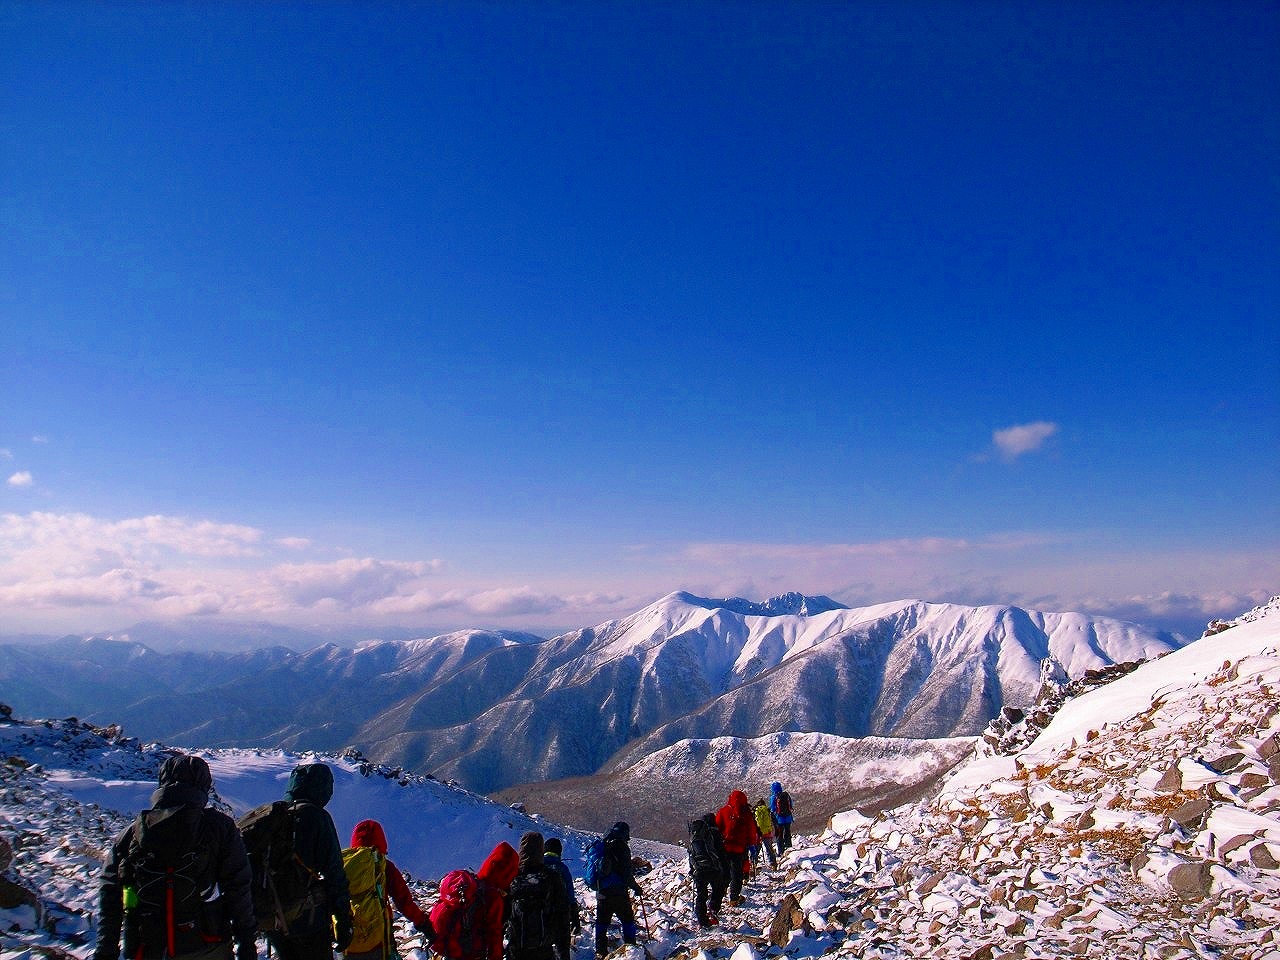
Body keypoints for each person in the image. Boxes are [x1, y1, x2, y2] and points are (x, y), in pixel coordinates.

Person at [94, 754, 258, 960]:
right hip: (208, 945)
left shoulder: (133, 833)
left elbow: (110, 894)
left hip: (148, 948)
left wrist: (105, 950)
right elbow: (239, 888)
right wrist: (247, 945)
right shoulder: (219, 828)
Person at [270, 762, 353, 960]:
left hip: (273, 918)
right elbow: (334, 872)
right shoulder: (317, 817)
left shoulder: (272, 815)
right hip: (309, 919)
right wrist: (343, 918)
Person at [343, 819, 433, 959]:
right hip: (378, 942)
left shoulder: (343, 866)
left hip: (348, 941)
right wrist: (423, 923)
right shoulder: (385, 867)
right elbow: (404, 902)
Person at [505, 832, 570, 960]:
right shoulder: (552, 877)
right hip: (543, 949)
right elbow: (562, 916)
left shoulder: (511, 877)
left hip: (516, 950)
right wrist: (564, 953)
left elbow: (501, 914)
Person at [592, 822, 642, 957]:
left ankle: (600, 952)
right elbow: (626, 874)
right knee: (627, 920)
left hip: (602, 893)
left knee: (601, 923)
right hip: (619, 893)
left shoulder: (603, 846)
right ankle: (631, 949)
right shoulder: (622, 848)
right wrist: (636, 888)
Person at [714, 791, 758, 906]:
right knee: (737, 873)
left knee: (724, 871)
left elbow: (717, 828)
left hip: (725, 847)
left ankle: (720, 892)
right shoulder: (746, 812)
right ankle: (734, 898)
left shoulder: (724, 811)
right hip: (739, 848)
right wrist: (751, 844)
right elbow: (751, 831)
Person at [686, 814, 728, 929]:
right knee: (718, 889)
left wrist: (692, 870)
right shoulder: (712, 835)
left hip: (698, 870)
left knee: (701, 894)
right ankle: (713, 909)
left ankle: (702, 920)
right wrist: (724, 869)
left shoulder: (693, 837)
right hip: (713, 868)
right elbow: (720, 853)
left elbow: (691, 854)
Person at [542, 837, 581, 960]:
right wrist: (574, 914)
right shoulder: (562, 868)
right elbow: (570, 893)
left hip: (541, 914)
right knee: (562, 949)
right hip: (561, 913)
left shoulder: (538, 866)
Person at [751, 798, 778, 870]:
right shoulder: (768, 810)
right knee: (769, 848)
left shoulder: (755, 811)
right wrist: (776, 830)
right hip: (767, 832)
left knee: (756, 849)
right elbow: (774, 821)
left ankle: (753, 863)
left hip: (758, 833)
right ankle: (773, 864)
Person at [769, 782, 794, 853]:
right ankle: (789, 848)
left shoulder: (773, 797)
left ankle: (781, 851)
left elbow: (773, 808)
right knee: (787, 832)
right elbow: (791, 805)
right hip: (788, 817)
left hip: (779, 819)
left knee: (779, 834)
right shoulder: (786, 795)